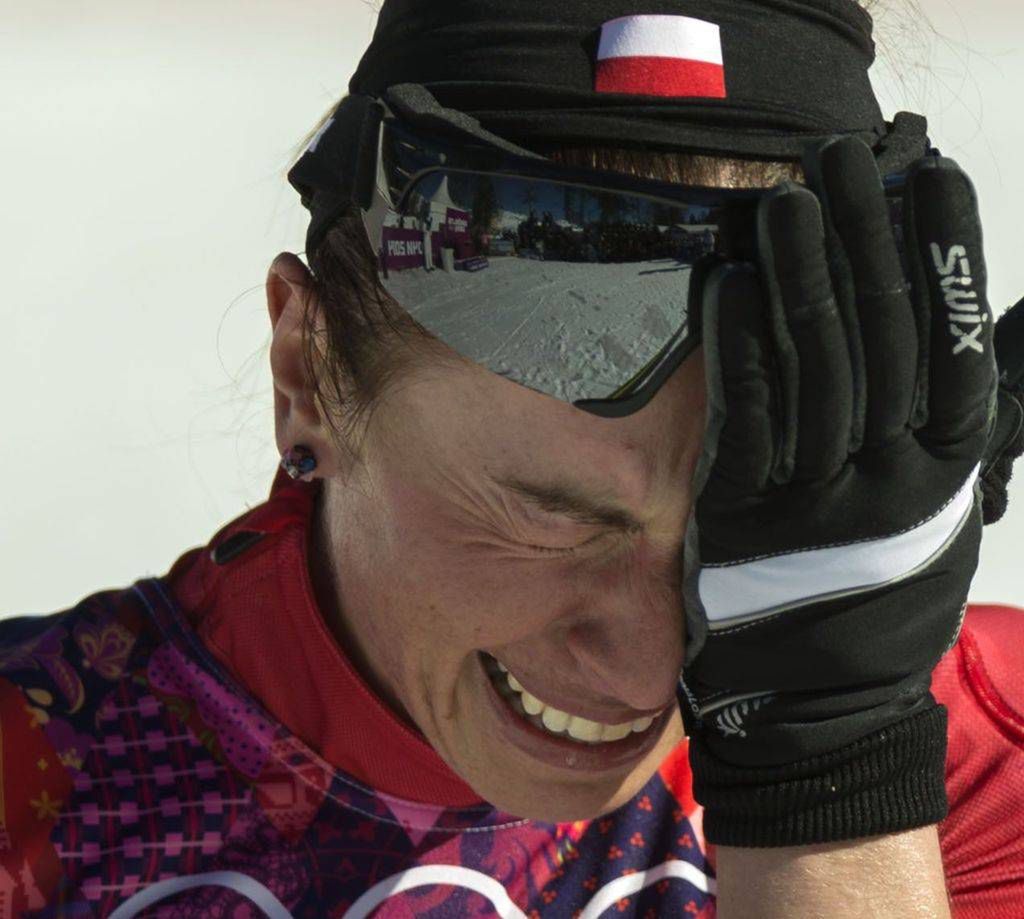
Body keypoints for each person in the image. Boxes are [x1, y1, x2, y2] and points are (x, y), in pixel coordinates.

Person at [3, 1, 1024, 916]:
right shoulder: (30, 791)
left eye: (744, 526)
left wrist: (835, 773)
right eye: (556, 513)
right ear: (305, 374)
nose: (649, 664)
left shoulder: (985, 769)